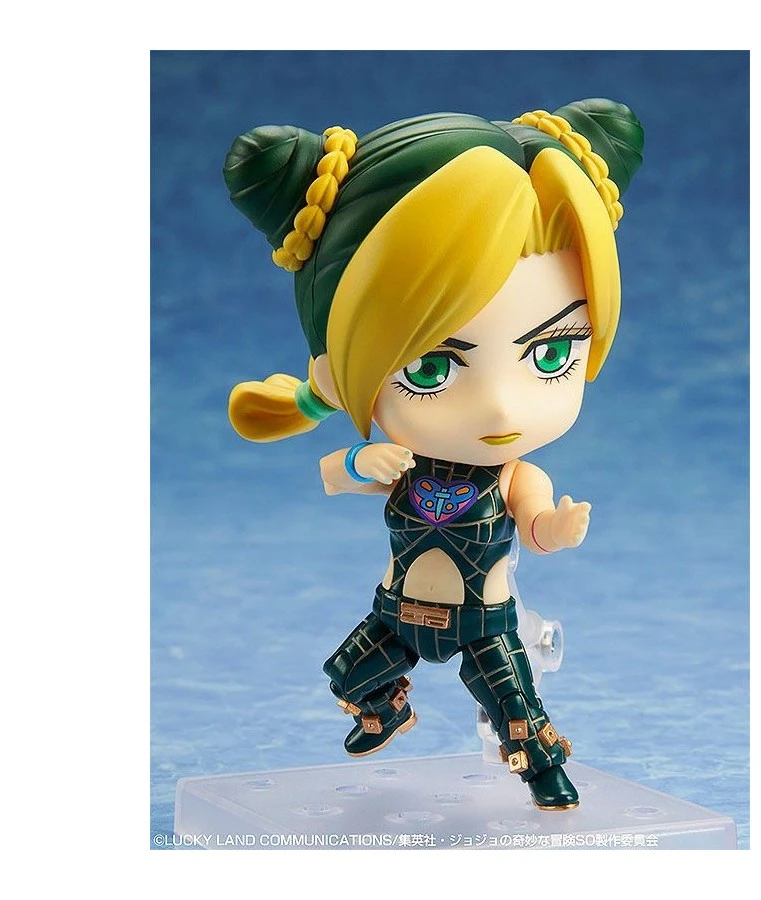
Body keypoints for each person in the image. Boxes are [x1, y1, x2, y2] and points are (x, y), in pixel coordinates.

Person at [223, 100, 644, 810]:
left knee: (518, 714)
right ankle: (383, 711)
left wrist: (558, 528)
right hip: (399, 612)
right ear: (339, 370)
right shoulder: (400, 458)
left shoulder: (515, 472)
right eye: (429, 368)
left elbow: (536, 525)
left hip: (484, 622)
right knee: (346, 674)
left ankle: (547, 777)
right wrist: (361, 462)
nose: (501, 408)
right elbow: (332, 474)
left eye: (551, 354)